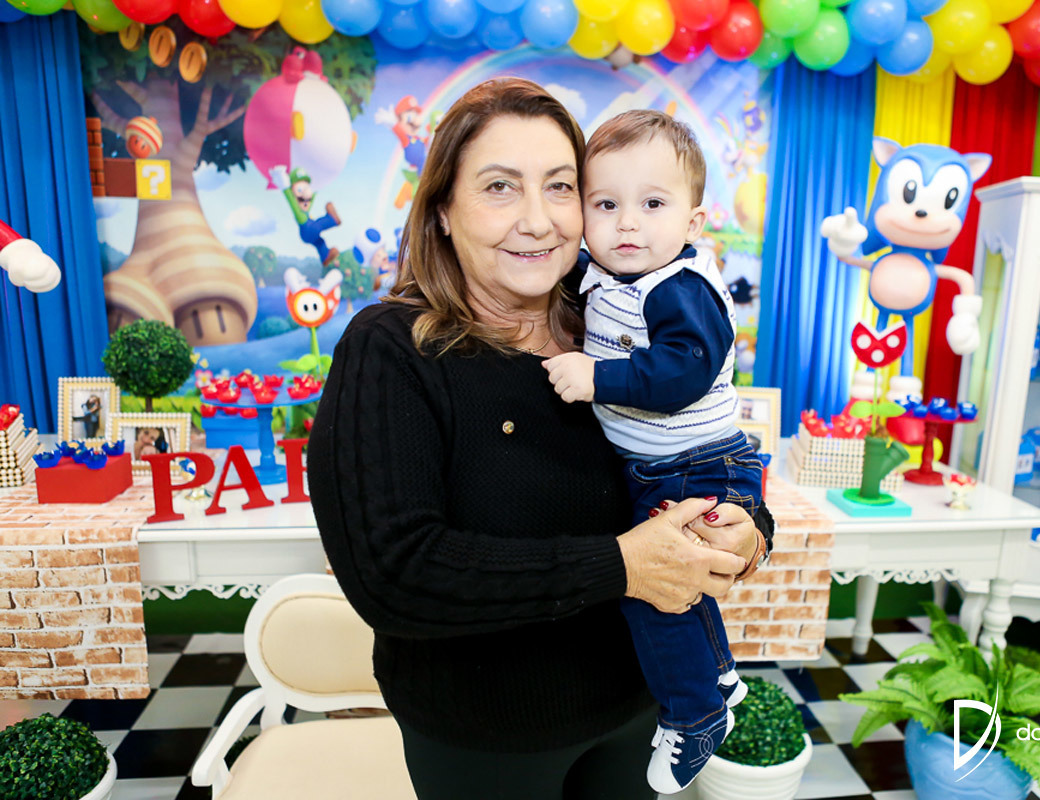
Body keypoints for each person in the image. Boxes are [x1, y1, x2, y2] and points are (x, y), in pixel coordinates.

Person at [306, 78, 772, 800]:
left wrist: (748, 531)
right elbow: (394, 575)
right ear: (442, 211)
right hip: (486, 737)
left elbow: (696, 449)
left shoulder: (614, 320)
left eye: (560, 187)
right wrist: (620, 566)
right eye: (500, 187)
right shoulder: (394, 349)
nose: (537, 220)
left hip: (638, 715)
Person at [542, 110, 763, 794]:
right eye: (606, 205)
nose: (627, 225)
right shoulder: (605, 274)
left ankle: (694, 715)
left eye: (653, 205)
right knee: (681, 581)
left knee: (653, 591)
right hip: (664, 465)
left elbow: (681, 373)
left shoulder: (680, 288)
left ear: (693, 223)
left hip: (697, 463)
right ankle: (717, 675)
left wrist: (597, 377)